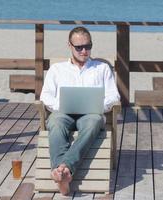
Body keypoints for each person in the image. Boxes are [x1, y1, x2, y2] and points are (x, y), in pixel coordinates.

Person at [40, 26, 120, 195]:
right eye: (79, 47)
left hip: (91, 113)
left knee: (93, 122)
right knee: (54, 121)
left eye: (88, 46)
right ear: (69, 45)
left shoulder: (102, 68)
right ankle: (63, 173)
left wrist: (99, 106)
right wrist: (60, 106)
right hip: (63, 112)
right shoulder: (57, 69)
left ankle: (63, 169)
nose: (84, 51)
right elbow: (45, 96)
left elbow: (113, 96)